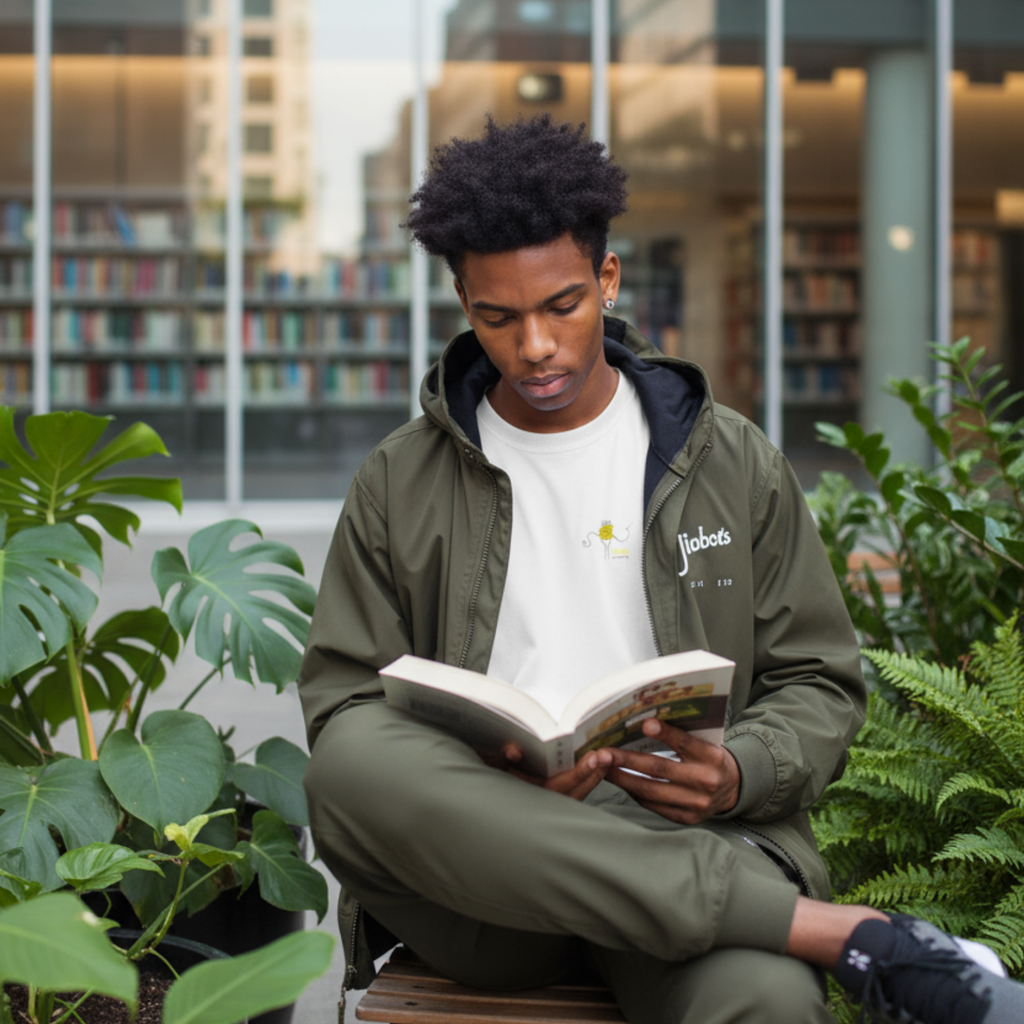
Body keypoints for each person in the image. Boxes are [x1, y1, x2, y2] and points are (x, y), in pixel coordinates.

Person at [298, 115, 1024, 1024]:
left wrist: (740, 770)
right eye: (498, 317)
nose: (535, 347)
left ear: (607, 278)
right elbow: (346, 708)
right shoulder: (400, 479)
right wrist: (489, 772)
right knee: (348, 761)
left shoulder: (733, 461)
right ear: (462, 303)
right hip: (493, 877)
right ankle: (845, 934)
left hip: (690, 830)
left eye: (561, 306)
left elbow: (820, 680)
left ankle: (777, 928)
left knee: (761, 1001)